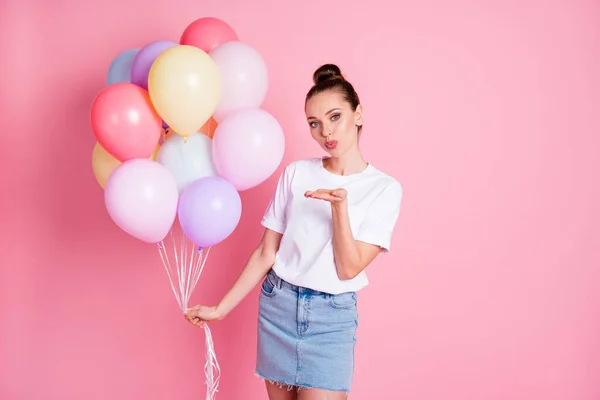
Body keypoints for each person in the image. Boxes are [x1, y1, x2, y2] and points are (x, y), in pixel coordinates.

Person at [185, 63, 403, 399]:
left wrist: (339, 208)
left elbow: (348, 268)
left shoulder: (384, 189)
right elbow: (266, 252)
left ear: (358, 114)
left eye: (335, 117)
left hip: (331, 320)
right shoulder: (297, 173)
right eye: (314, 124)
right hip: (279, 306)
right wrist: (220, 309)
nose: (325, 133)